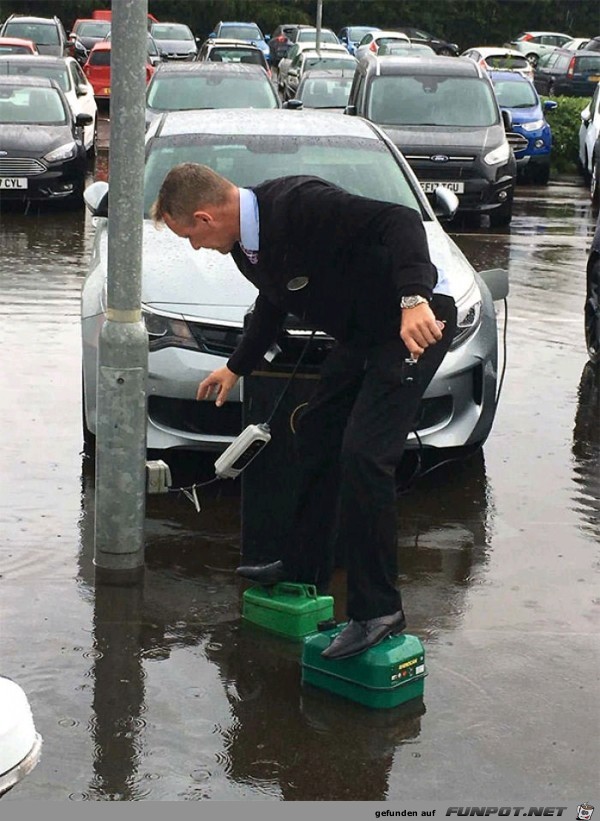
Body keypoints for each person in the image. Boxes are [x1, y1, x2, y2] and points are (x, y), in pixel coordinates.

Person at [151, 163, 457, 660]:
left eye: (190, 235)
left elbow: (399, 221)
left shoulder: (300, 205)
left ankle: (377, 609)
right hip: (364, 334)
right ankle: (302, 565)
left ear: (205, 218)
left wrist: (414, 297)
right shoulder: (247, 247)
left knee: (364, 456)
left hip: (415, 325)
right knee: (316, 431)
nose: (194, 246)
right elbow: (274, 301)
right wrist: (236, 368)